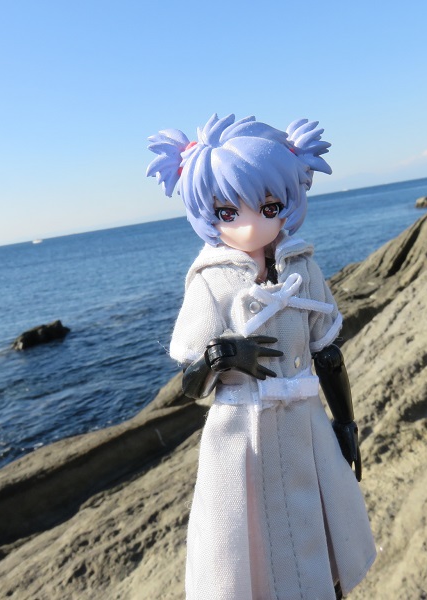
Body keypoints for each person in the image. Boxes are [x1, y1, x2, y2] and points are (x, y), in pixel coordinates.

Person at [147, 114, 375, 600]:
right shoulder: (211, 282)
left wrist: (346, 424)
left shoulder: (302, 268)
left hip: (305, 421)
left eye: (269, 206)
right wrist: (219, 356)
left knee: (322, 533)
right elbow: (190, 385)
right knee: (245, 548)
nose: (252, 223)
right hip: (239, 433)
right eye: (228, 211)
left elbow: (327, 354)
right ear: (206, 212)